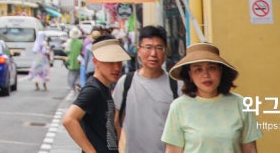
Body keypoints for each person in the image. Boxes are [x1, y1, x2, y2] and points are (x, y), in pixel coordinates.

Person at [161, 42, 262, 153]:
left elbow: (250, 149)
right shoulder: (178, 107)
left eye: (211, 68)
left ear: (220, 71)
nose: (206, 75)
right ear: (190, 75)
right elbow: (173, 151)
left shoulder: (240, 103)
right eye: (198, 70)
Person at [112, 25, 178, 153]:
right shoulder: (125, 83)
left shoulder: (176, 87)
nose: (153, 54)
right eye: (148, 47)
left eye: (159, 48)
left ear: (165, 52)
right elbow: (115, 122)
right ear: (139, 50)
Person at [62, 37, 130, 153]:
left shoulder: (103, 88)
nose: (116, 67)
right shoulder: (93, 90)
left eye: (119, 62)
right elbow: (69, 119)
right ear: (95, 62)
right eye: (110, 62)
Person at [65, 27, 84, 92]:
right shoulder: (81, 42)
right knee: (78, 74)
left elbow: (66, 51)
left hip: (71, 60)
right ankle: (77, 84)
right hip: (79, 60)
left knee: (71, 74)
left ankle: (71, 87)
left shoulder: (69, 42)